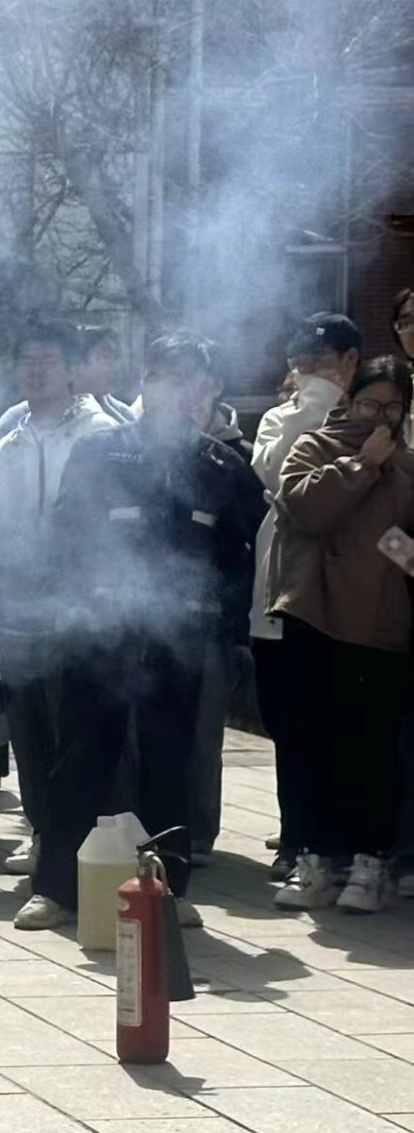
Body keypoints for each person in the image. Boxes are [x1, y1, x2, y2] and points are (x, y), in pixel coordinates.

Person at [16, 333, 263, 932]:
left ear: (209, 391)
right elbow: (65, 539)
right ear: (146, 384)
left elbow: (240, 558)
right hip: (100, 635)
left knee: (171, 766)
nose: (181, 394)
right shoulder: (102, 452)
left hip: (179, 640)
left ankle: (168, 889)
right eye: (167, 378)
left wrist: (224, 627)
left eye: (194, 382)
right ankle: (57, 890)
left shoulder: (223, 466)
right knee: (81, 760)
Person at [264, 356, 414, 913]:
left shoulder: (408, 466)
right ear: (350, 400)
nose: (381, 417)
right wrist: (362, 464)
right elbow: (306, 509)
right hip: (315, 617)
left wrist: (390, 553)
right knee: (312, 746)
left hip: (380, 625)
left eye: (394, 408)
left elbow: (403, 542)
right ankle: (316, 862)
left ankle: (369, 864)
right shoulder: (315, 447)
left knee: (372, 749)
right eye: (371, 403)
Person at [0, 322, 113, 877]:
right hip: (20, 604)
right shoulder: (8, 443)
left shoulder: (100, 434)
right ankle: (42, 832)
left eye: (47, 360)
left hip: (80, 604)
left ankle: (79, 845)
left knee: (76, 729)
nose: (35, 371)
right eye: (26, 361)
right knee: (29, 727)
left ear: (72, 369)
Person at [248, 314, 363, 882]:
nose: (308, 375)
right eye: (300, 365)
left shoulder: (372, 414)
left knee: (343, 725)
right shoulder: (279, 418)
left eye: (321, 363)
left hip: (349, 598)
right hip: (282, 596)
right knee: (289, 725)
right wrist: (313, 402)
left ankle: (342, 840)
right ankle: (298, 837)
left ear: (351, 361)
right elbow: (275, 471)